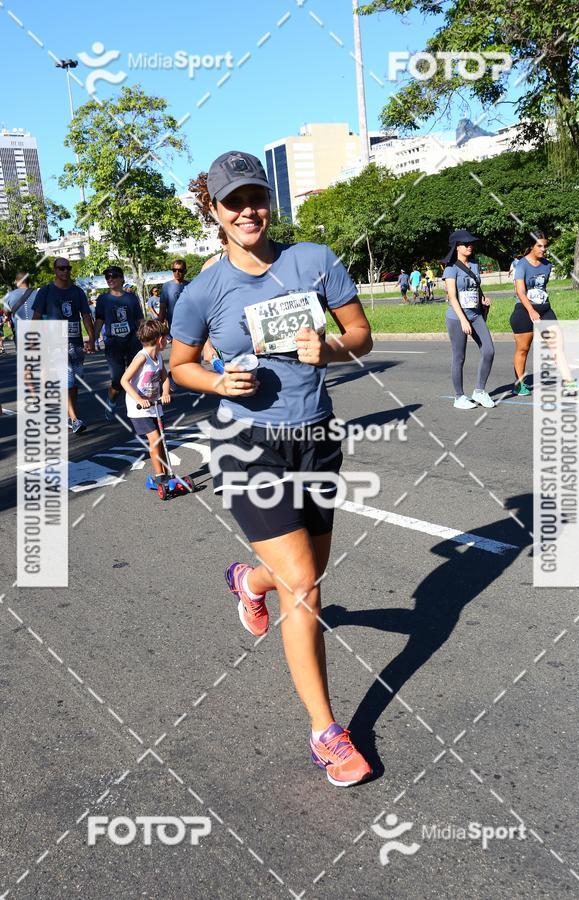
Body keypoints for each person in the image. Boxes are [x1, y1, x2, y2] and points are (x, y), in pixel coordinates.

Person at [170, 150, 374, 787]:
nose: (248, 210)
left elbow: (363, 335)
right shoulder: (203, 291)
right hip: (245, 445)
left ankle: (249, 582)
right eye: (233, 201)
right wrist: (217, 381)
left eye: (256, 196)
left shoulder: (313, 260)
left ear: (269, 200)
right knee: (306, 586)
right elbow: (181, 367)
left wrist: (332, 348)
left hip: (314, 437)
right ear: (215, 210)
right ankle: (325, 732)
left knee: (302, 575)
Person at [510, 231, 579, 395]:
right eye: (539, 246)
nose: (543, 249)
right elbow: (520, 292)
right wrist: (531, 310)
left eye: (545, 246)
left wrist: (539, 307)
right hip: (524, 310)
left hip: (545, 309)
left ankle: (569, 382)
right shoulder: (521, 265)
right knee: (523, 349)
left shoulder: (547, 265)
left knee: (557, 345)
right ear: (531, 246)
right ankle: (519, 383)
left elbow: (541, 288)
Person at [32, 257, 95, 433]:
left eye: (68, 268)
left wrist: (91, 338)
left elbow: (86, 317)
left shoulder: (77, 292)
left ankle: (68, 416)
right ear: (55, 270)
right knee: (66, 380)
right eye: (61, 268)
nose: (65, 271)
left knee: (74, 382)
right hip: (54, 344)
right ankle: (74, 419)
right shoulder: (45, 291)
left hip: (75, 344)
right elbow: (36, 317)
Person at [442, 229, 495, 410]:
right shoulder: (450, 268)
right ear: (457, 246)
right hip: (457, 318)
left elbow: (475, 286)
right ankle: (459, 397)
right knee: (459, 357)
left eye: (471, 243)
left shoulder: (474, 265)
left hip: (476, 314)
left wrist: (483, 299)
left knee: (488, 350)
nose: (470, 246)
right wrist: (463, 319)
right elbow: (452, 297)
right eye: (466, 244)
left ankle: (479, 391)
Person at [120, 319, 171, 488]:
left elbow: (165, 378)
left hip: (155, 406)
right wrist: (139, 399)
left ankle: (166, 473)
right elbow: (124, 380)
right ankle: (159, 476)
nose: (167, 340)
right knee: (155, 439)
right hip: (139, 408)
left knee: (161, 440)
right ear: (159, 340)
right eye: (166, 337)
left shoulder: (158, 358)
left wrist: (165, 393)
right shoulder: (142, 357)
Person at [95, 266, 144, 420]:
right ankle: (111, 402)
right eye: (107, 277)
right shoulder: (103, 299)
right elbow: (99, 320)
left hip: (132, 341)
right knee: (117, 379)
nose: (110, 279)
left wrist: (149, 338)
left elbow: (140, 320)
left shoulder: (131, 298)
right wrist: (93, 339)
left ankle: (138, 406)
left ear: (122, 278)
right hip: (113, 344)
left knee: (136, 375)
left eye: (114, 276)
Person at [4, 271, 38, 343]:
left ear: (17, 281)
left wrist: (8, 318)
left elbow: (6, 312)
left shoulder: (9, 295)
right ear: (28, 281)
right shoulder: (38, 294)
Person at [158, 259, 189, 332]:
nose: (177, 272)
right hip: (174, 327)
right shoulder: (166, 286)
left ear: (185, 271)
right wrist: (159, 326)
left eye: (180, 270)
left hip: (189, 325)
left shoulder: (191, 285)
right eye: (174, 270)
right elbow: (162, 308)